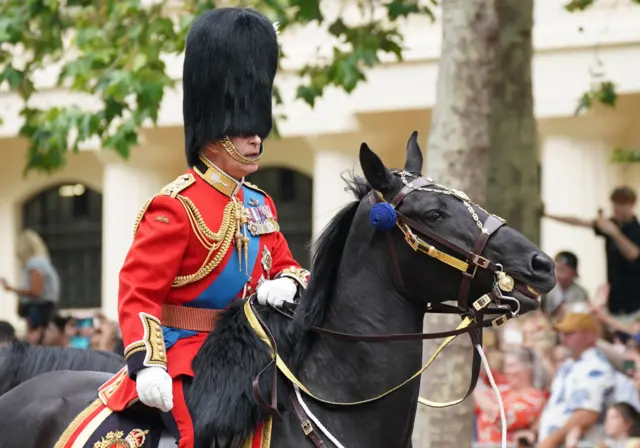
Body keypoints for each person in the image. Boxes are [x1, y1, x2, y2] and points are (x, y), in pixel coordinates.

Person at [96, 8, 310, 448]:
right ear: (215, 128)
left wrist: (285, 284)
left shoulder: (259, 203)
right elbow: (138, 292)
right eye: (245, 128)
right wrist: (147, 361)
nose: (257, 139)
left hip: (254, 352)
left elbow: (291, 266)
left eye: (259, 129)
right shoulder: (176, 205)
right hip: (186, 357)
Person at [545, 186, 640, 320]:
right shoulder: (611, 224)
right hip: (614, 299)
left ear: (631, 205)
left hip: (634, 301)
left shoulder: (635, 230)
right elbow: (580, 222)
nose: (617, 208)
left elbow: (634, 255)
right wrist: (548, 215)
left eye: (622, 204)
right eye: (615, 203)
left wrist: (615, 234)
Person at [538, 313, 617, 448]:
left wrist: (549, 442)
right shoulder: (569, 365)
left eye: (570, 333)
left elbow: (587, 414)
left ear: (590, 335)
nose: (563, 339)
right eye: (562, 333)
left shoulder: (596, 366)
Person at [1, 229, 60, 345]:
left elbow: (36, 291)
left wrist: (12, 289)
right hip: (44, 307)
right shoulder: (43, 262)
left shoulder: (35, 264)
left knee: (36, 342)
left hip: (38, 309)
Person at [543, 251, 589, 320]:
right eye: (557, 269)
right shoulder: (547, 290)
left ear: (574, 272)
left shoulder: (581, 293)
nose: (559, 274)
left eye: (563, 270)